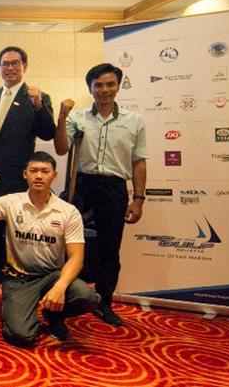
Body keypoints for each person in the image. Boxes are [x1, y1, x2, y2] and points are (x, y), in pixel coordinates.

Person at [0, 152, 100, 346]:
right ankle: (27, 311)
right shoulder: (11, 202)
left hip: (52, 276)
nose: (39, 176)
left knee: (88, 297)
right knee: (21, 336)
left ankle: (54, 314)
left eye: (45, 171)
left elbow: (76, 258)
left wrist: (60, 287)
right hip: (18, 278)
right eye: (33, 171)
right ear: (25, 174)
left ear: (54, 175)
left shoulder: (68, 211)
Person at [54, 63, 147, 327]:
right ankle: (64, 302)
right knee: (70, 248)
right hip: (81, 187)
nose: (104, 90)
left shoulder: (134, 121)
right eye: (98, 85)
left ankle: (104, 302)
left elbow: (139, 161)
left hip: (114, 188)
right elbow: (61, 149)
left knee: (110, 248)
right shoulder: (78, 118)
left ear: (118, 86)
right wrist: (61, 118)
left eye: (110, 84)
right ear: (90, 88)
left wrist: (138, 199)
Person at [0, 46, 56, 300]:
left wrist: (38, 106)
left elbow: (47, 133)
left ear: (24, 66)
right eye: (5, 64)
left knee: (16, 235)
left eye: (15, 63)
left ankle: (16, 284)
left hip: (17, 178)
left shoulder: (38, 97)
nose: (9, 68)